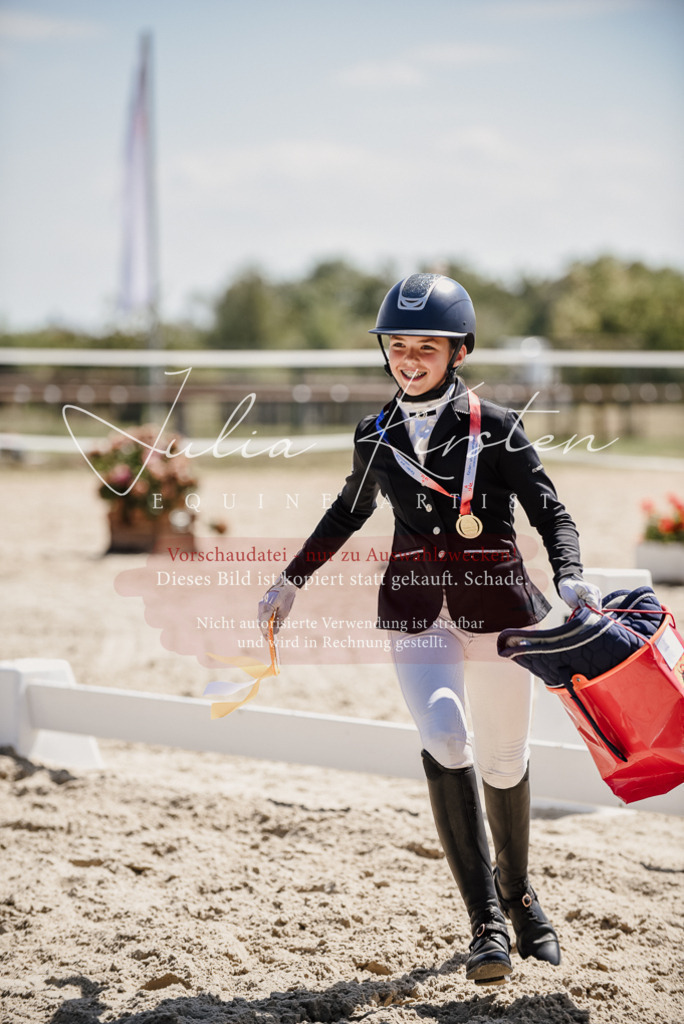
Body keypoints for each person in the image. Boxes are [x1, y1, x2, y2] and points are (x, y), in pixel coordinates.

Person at [258, 273, 600, 986]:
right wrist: (292, 580)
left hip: (503, 615)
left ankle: (521, 895)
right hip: (416, 612)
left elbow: (551, 513)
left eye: (426, 347)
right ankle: (486, 924)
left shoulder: (498, 427)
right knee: (446, 737)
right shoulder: (376, 432)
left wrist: (569, 575)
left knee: (504, 761)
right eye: (398, 346)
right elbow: (347, 512)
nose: (409, 359)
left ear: (459, 352)